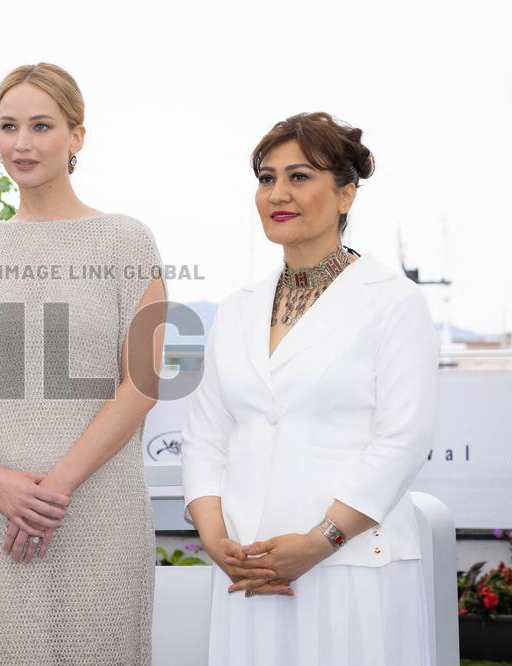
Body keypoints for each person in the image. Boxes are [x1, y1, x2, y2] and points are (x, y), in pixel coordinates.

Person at [180, 112, 439, 666]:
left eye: (299, 177)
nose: (278, 193)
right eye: (266, 178)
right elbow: (205, 437)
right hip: (248, 569)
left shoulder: (393, 301)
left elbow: (402, 440)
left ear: (346, 195)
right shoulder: (237, 309)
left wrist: (322, 541)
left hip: (350, 566)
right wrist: (215, 538)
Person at [0, 63, 166, 664]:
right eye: (8, 126)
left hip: (99, 510)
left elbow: (141, 383)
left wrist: (55, 488)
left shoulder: (126, 241)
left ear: (77, 136)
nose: (22, 142)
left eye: (41, 125)